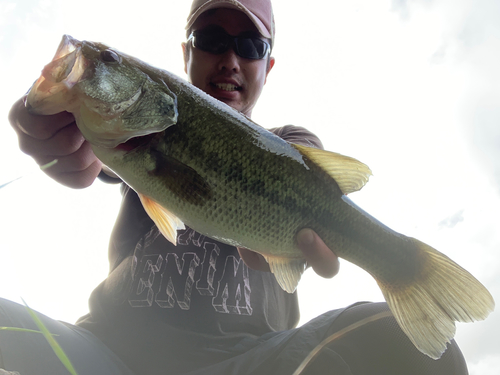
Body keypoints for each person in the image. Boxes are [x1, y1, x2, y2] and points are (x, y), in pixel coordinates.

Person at [3, 0, 468, 374]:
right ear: (186, 53)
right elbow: (83, 161)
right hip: (100, 352)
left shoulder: (290, 144)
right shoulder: (128, 147)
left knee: (404, 344)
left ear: (268, 64)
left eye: (248, 44)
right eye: (211, 39)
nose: (229, 59)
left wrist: (289, 243)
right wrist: (50, 128)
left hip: (253, 361)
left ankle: (403, 266)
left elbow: (307, 171)